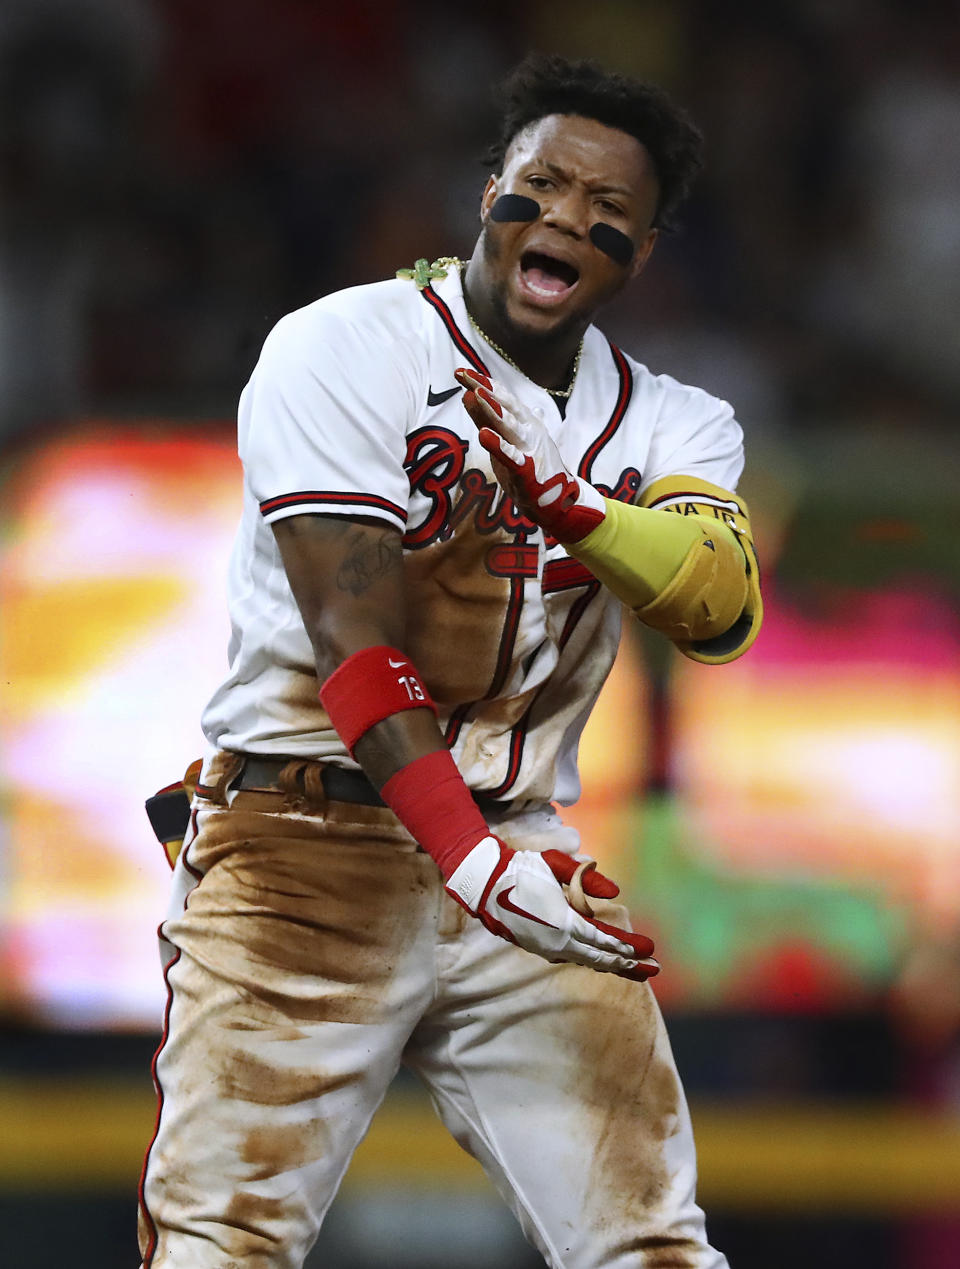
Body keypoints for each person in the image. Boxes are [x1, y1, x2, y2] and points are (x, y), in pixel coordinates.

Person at [138, 52, 762, 1269]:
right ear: (489, 193)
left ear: (640, 254)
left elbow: (720, 610)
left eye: (608, 213)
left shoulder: (681, 421)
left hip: (523, 849)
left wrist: (577, 511)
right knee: (224, 1246)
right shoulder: (345, 347)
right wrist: (467, 859)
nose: (566, 219)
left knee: (651, 1246)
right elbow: (352, 647)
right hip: (304, 848)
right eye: (543, 184)